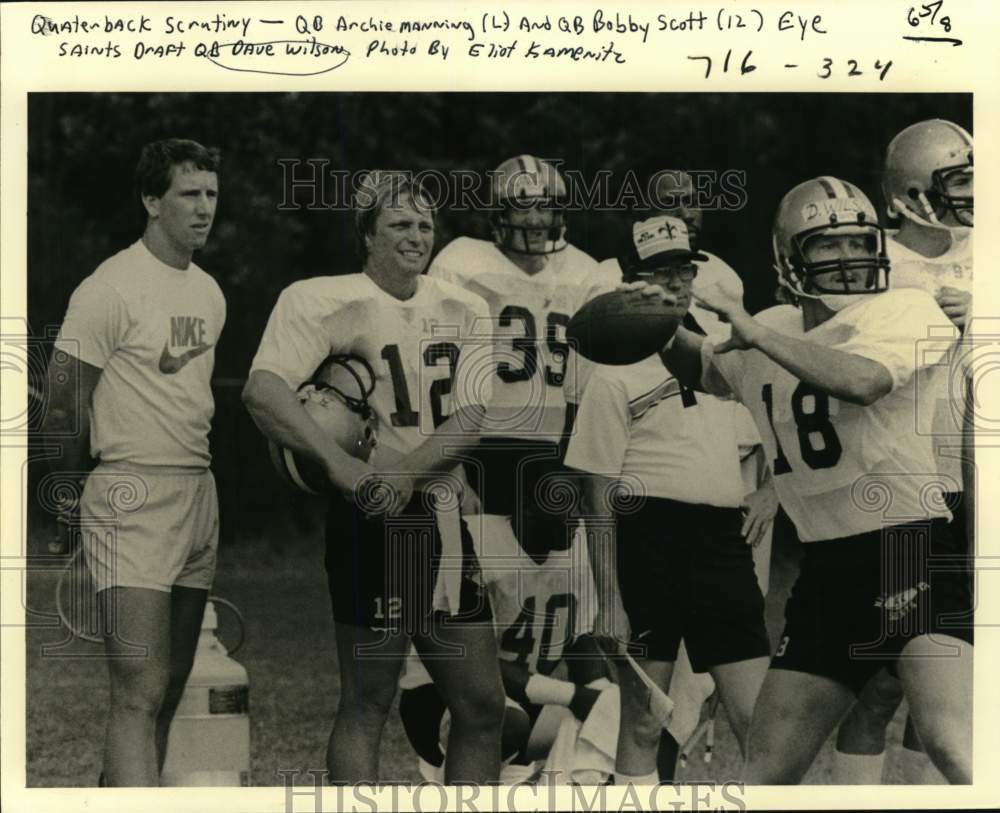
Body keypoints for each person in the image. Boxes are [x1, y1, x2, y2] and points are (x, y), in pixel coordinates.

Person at [645, 176, 973, 784]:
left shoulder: (902, 306)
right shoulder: (770, 326)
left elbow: (863, 381)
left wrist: (756, 333)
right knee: (764, 773)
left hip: (910, 549)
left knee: (955, 742)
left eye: (858, 243)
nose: (849, 260)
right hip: (829, 571)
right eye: (828, 246)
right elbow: (704, 368)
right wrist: (661, 316)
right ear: (791, 259)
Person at [242, 171, 505, 784]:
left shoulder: (462, 306)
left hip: (436, 511)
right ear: (366, 234)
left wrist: (407, 476)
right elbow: (264, 391)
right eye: (399, 225)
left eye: (424, 225)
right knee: (368, 701)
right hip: (373, 518)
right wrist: (345, 469)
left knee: (482, 704)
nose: (416, 236)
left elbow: (472, 415)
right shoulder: (323, 299)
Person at [565, 216, 775, 787]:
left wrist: (771, 491)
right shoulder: (609, 363)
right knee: (642, 723)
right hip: (646, 537)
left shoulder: (722, 347)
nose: (676, 282)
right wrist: (608, 599)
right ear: (630, 280)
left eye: (683, 267)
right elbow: (596, 490)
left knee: (758, 718)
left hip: (719, 540)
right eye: (659, 272)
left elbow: (779, 424)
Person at [42, 139, 225, 786]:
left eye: (210, 193)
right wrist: (65, 493)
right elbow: (64, 398)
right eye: (188, 194)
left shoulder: (208, 292)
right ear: (152, 200)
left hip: (196, 492)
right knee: (138, 689)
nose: (204, 207)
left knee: (169, 687)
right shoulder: (108, 287)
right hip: (131, 493)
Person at [833, 119, 974, 784]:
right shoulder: (872, 262)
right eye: (960, 180)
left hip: (983, 477)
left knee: (960, 684)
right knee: (883, 680)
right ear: (912, 193)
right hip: (914, 481)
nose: (976, 193)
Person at [427, 155, 599, 553]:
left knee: (550, 551)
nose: (536, 220)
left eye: (545, 206)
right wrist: (452, 470)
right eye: (523, 206)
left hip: (550, 446)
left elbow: (590, 384)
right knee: (472, 565)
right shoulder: (463, 263)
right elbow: (436, 375)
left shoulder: (584, 272)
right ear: (498, 212)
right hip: (477, 440)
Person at [398, 513, 610, 784]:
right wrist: (574, 696)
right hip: (442, 694)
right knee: (507, 721)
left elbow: (580, 638)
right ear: (527, 496)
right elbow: (477, 664)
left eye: (581, 499)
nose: (576, 516)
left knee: (613, 720)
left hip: (525, 698)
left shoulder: (582, 544)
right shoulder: (477, 539)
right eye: (563, 499)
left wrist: (606, 696)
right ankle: (454, 787)